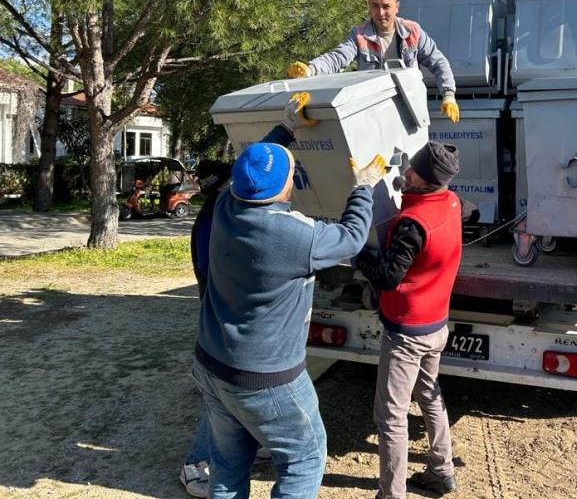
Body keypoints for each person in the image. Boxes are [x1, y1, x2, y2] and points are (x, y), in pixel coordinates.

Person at [191, 102, 387, 498]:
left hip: (211, 364)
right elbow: (351, 237)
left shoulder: (229, 204)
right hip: (266, 379)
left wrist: (286, 128)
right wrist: (364, 186)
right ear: (285, 187)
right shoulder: (295, 237)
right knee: (305, 459)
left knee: (228, 466)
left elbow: (248, 169)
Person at [356, 141, 463, 499]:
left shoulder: (414, 224)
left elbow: (388, 276)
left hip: (407, 332)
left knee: (390, 417)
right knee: (429, 395)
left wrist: (358, 254)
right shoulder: (450, 202)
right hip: (436, 325)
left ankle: (391, 495)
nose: (404, 173)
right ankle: (441, 470)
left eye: (410, 169)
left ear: (424, 178)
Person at [286, 0, 461, 124]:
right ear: (369, 7)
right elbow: (337, 58)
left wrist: (449, 95)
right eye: (375, 6)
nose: (381, 13)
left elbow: (439, 62)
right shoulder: (359, 34)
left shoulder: (413, 31)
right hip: (374, 114)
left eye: (386, 6)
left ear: (397, 7)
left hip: (412, 112)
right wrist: (310, 70)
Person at [180, 159, 232, 498]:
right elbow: (208, 266)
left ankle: (246, 444)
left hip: (222, 316)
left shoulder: (218, 211)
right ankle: (195, 464)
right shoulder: (215, 216)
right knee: (225, 395)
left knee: (234, 395)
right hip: (219, 318)